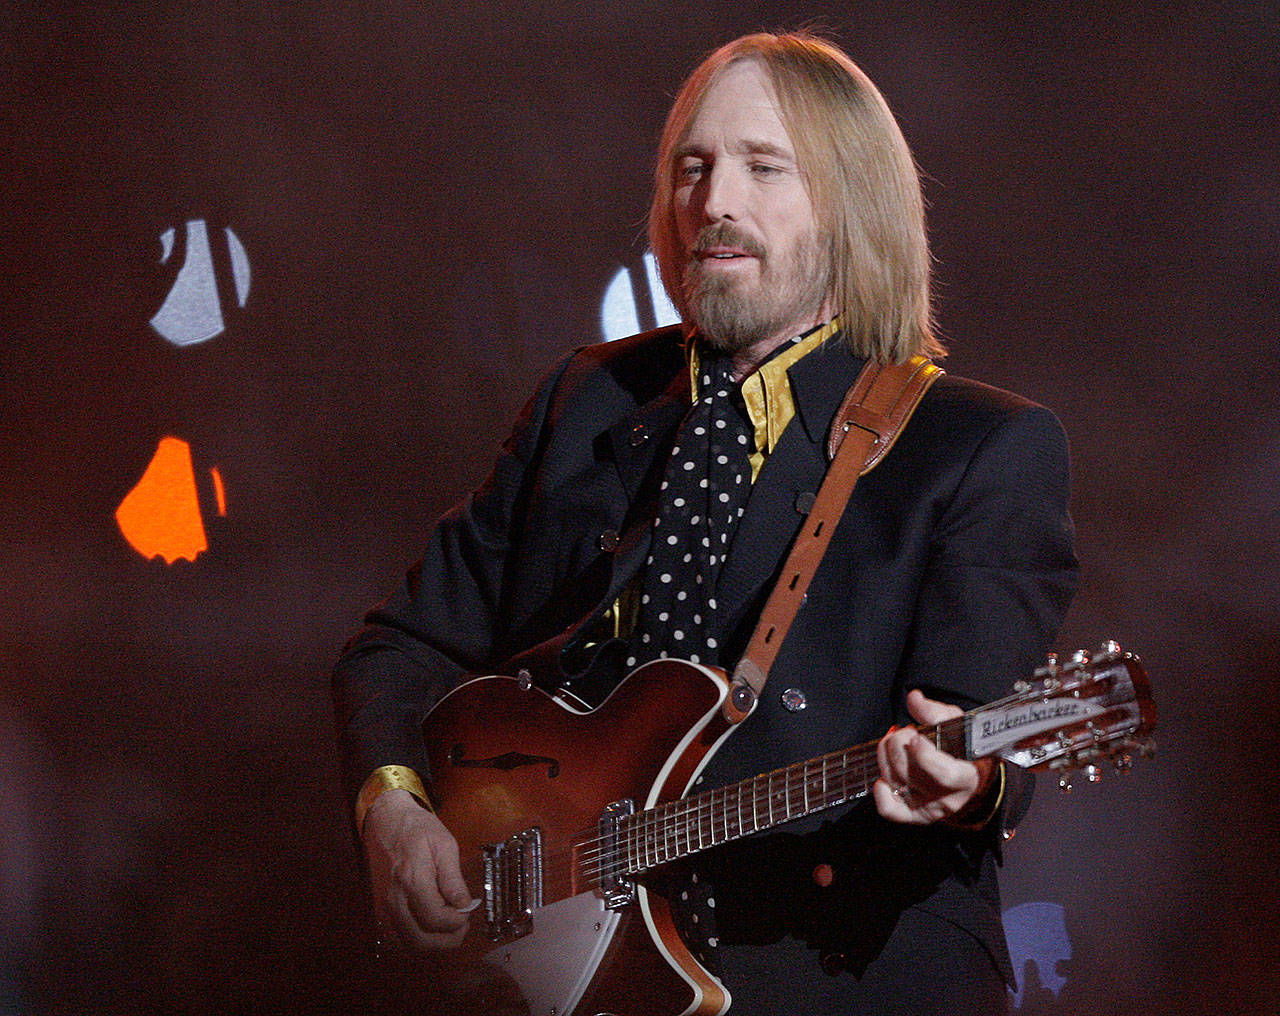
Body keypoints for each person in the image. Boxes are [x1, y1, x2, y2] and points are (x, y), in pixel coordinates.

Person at [333, 31, 1077, 1016]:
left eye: (762, 166)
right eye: (693, 165)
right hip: (555, 980)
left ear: (852, 206)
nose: (711, 200)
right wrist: (393, 806)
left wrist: (970, 779)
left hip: (832, 975)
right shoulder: (586, 401)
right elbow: (401, 645)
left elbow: (976, 739)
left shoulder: (974, 446)